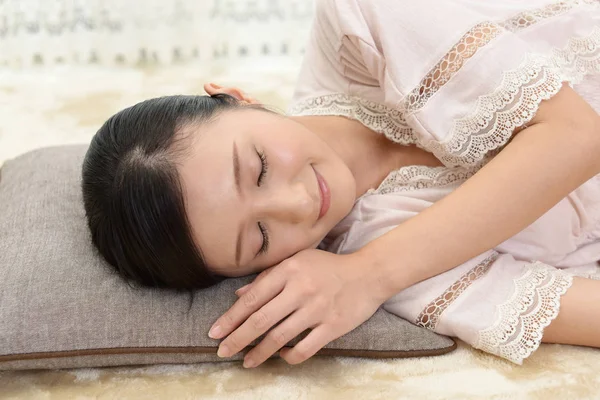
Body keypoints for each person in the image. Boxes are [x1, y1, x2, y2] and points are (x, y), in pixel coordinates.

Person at [81, 0, 600, 369]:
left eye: (259, 167)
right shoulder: (381, 270)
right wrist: (369, 275)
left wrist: (370, 274)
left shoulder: (358, 21)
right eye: (260, 238)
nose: (299, 202)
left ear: (236, 96)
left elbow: (580, 135)